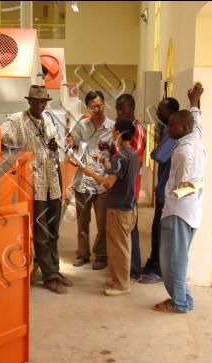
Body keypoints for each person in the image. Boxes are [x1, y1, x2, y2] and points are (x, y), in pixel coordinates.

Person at [0, 85, 71, 294]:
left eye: (43, 102)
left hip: (53, 180)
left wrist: (54, 148)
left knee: (54, 230)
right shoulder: (17, 120)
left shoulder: (47, 120)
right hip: (35, 184)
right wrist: (18, 156)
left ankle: (55, 269)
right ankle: (49, 276)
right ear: (29, 101)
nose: (40, 105)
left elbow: (55, 146)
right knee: (41, 232)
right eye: (37, 101)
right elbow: (0, 138)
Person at [154, 82, 206, 313]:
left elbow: (184, 181)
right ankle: (184, 298)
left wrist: (181, 185)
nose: (168, 130)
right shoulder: (195, 136)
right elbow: (197, 120)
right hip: (191, 211)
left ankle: (179, 303)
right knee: (179, 257)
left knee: (172, 261)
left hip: (178, 211)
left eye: (172, 126)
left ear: (184, 128)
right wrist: (194, 101)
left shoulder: (185, 150)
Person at [79, 117, 140, 296]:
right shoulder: (132, 154)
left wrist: (90, 173)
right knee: (119, 246)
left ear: (118, 133)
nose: (112, 133)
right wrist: (104, 162)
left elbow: (108, 183)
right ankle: (117, 278)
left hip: (119, 209)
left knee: (119, 248)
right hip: (129, 206)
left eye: (114, 130)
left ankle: (122, 285)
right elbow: (119, 173)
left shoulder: (121, 156)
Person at [68, 90, 114, 270]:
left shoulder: (112, 127)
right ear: (87, 107)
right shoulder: (81, 126)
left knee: (103, 223)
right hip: (83, 182)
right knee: (82, 222)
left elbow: (116, 154)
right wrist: (73, 155)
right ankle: (83, 254)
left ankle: (101, 255)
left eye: (100, 105)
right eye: (93, 106)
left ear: (104, 105)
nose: (97, 109)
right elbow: (73, 147)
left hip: (103, 183)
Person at [139, 96, 180, 284]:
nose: (157, 113)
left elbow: (159, 155)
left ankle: (157, 270)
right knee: (156, 231)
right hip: (163, 188)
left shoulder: (173, 134)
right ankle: (153, 264)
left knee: (160, 232)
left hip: (169, 195)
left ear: (171, 113)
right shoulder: (165, 129)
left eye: (161, 110)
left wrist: (156, 148)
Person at [114, 94, 146, 282]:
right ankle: (122, 268)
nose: (119, 111)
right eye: (117, 108)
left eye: (123, 108)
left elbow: (134, 155)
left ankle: (134, 270)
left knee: (131, 230)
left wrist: (115, 150)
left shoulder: (138, 129)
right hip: (120, 187)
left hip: (131, 188)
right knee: (121, 231)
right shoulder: (121, 128)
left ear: (132, 108)